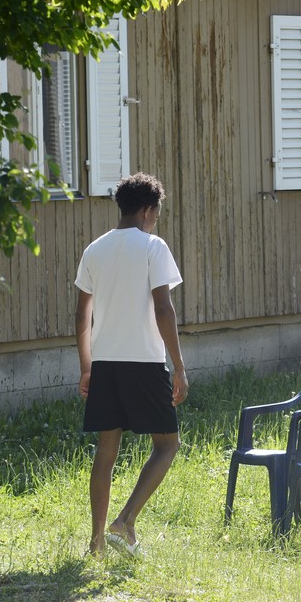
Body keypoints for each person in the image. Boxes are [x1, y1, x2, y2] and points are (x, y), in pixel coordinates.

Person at [74, 172, 189, 558]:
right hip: (144, 363)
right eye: (156, 212)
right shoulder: (153, 247)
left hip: (105, 363)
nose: (156, 219)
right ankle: (125, 521)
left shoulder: (94, 250)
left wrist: (87, 367)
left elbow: (81, 316)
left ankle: (96, 543)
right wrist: (179, 366)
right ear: (147, 210)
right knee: (167, 445)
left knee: (105, 453)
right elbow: (163, 307)